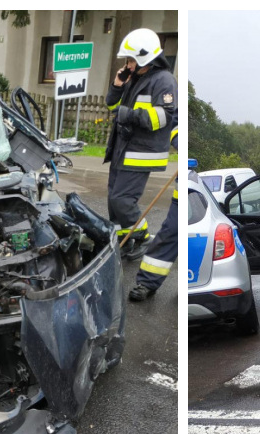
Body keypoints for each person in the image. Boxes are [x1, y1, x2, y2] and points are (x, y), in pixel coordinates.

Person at [104, 28, 178, 261]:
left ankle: (143, 236)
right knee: (113, 202)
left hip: (141, 152)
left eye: (131, 59)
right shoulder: (134, 78)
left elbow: (164, 117)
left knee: (122, 200)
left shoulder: (164, 81)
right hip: (122, 148)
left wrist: (129, 114)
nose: (128, 64)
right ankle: (127, 241)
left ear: (144, 57)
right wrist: (117, 85)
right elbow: (110, 105)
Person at [129, 126, 179, 301]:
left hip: (197, 195)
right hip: (183, 197)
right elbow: (175, 124)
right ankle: (148, 282)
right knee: (170, 233)